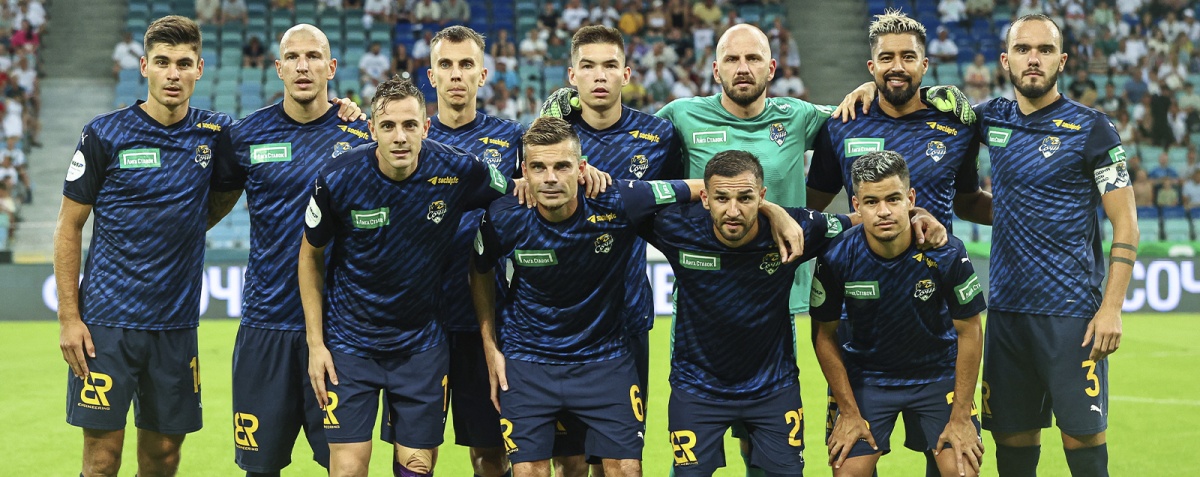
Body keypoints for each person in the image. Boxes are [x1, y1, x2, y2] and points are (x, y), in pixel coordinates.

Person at [471, 118, 795, 477]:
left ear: (581, 169)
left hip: (605, 360)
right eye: (538, 167)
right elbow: (480, 270)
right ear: (524, 172)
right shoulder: (504, 215)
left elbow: (708, 189)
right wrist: (490, 346)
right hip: (528, 361)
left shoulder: (620, 200)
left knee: (626, 469)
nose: (550, 178)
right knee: (529, 472)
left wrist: (772, 209)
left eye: (562, 166)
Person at [299, 76, 515, 477]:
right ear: (372, 129)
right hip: (350, 346)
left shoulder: (458, 168)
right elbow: (310, 256)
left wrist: (579, 176)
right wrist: (316, 344)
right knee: (347, 470)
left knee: (415, 468)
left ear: (426, 127)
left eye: (410, 125)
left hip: (421, 347)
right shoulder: (337, 177)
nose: (399, 137)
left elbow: (518, 190)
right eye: (388, 126)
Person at [54, 15, 233, 477]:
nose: (173, 74)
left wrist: (346, 112)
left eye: (184, 63)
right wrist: (69, 318)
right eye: (163, 62)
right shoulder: (104, 133)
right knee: (101, 460)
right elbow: (69, 226)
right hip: (106, 326)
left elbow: (284, 130)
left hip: (175, 326)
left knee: (164, 458)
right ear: (144, 66)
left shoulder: (217, 134)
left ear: (199, 69)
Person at [974, 14, 1138, 476]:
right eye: (1023, 49)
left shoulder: (1093, 128)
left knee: (1084, 452)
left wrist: (1112, 308)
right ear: (1005, 60)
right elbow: (917, 108)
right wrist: (864, 90)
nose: (1033, 59)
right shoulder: (989, 118)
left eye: (1045, 50)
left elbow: (1126, 223)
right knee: (1012, 453)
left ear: (1061, 61)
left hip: (1071, 317)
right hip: (1006, 313)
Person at [208, 24, 370, 477]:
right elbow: (209, 208)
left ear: (331, 67)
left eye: (314, 56)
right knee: (260, 469)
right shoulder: (245, 136)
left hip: (341, 330)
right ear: (278, 68)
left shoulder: (362, 137)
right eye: (293, 57)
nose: (303, 66)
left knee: (346, 468)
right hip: (266, 326)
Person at [644, 150, 852, 477]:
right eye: (721, 198)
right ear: (704, 198)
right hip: (697, 389)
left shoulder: (796, 228)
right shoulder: (677, 226)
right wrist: (771, 209)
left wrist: (918, 216)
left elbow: (862, 221)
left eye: (745, 198)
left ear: (761, 196)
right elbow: (623, 201)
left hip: (773, 390)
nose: (733, 211)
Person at [541, 24, 683, 476]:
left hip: (626, 321)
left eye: (609, 66)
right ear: (572, 76)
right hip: (558, 326)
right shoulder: (549, 141)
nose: (599, 75)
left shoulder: (659, 137)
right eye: (588, 66)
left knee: (621, 465)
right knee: (569, 464)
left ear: (626, 74)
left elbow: (676, 215)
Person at [811, 151, 985, 477]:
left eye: (893, 199)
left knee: (961, 470)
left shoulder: (947, 252)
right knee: (847, 473)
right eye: (871, 202)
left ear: (910, 199)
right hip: (868, 378)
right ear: (856, 205)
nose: (884, 211)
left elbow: (970, 330)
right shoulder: (836, 256)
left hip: (937, 374)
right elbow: (823, 334)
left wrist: (961, 416)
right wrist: (848, 411)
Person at [409, 25, 525, 477]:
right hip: (420, 322)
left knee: (490, 455)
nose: (456, 74)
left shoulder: (512, 138)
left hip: (487, 321)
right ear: (431, 76)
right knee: (414, 454)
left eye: (466, 65)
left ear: (483, 74)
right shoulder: (408, 137)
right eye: (446, 65)